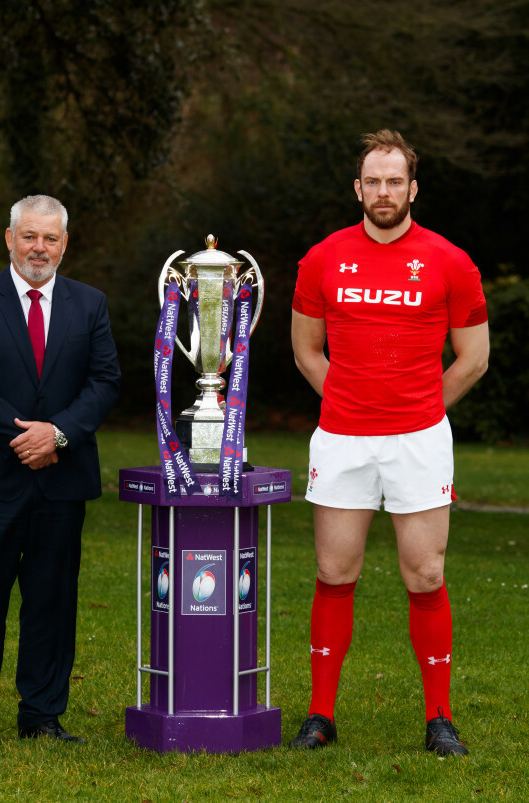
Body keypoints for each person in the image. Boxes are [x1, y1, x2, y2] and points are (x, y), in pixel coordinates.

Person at [290, 130, 489, 756]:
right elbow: (306, 349)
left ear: (412, 188)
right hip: (342, 438)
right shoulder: (322, 259)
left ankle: (440, 719)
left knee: (426, 574)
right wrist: (349, 400)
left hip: (419, 440)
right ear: (358, 188)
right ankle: (320, 716)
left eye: (394, 181)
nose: (384, 192)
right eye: (373, 181)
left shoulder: (450, 261)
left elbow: (474, 358)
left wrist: (419, 408)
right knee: (334, 571)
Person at [0, 195, 120, 749]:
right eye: (30, 236)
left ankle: (41, 714)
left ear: (65, 244)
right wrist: (26, 437)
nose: (39, 248)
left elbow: (105, 381)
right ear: (10, 239)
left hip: (62, 479)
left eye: (50, 238)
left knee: (53, 600)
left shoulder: (90, 303)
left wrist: (58, 434)